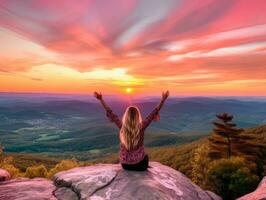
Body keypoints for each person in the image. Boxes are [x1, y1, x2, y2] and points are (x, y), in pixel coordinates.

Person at [94, 91, 169, 171]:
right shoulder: (141, 127)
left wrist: (101, 99)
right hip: (140, 165)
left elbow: (110, 112)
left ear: (126, 116)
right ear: (137, 116)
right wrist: (163, 100)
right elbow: (154, 112)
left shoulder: (122, 127)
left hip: (125, 165)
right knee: (146, 156)